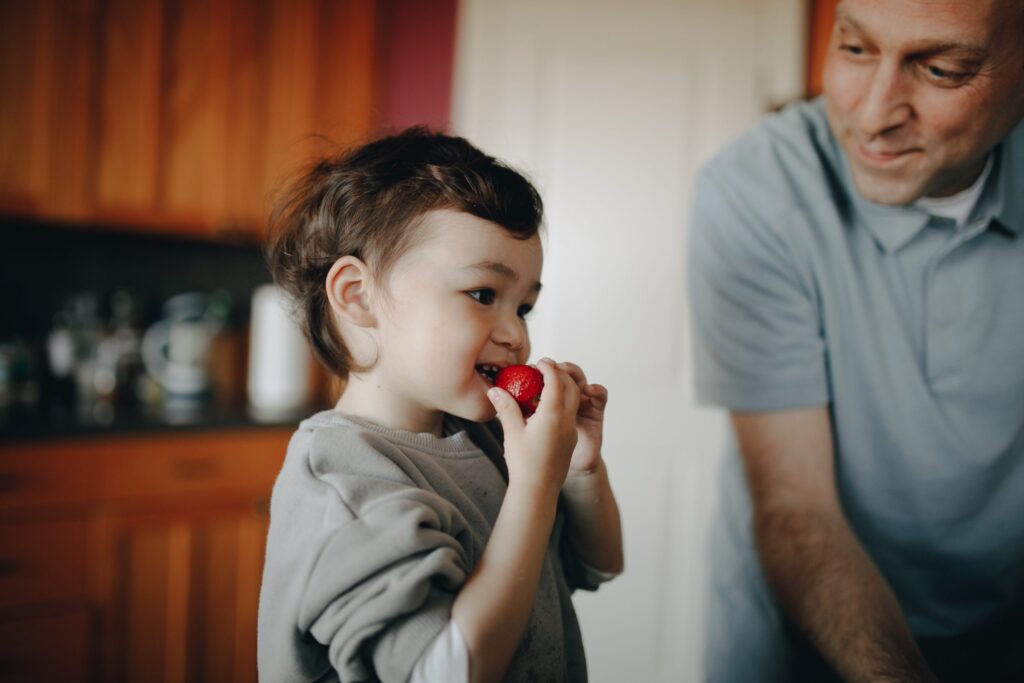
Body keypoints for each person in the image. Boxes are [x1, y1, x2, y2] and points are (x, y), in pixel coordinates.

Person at [687, 0, 1024, 681]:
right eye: (855, 48)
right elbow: (796, 506)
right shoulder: (752, 192)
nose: (872, 116)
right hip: (800, 632)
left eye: (942, 69)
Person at [256, 128, 623, 683]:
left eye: (523, 306)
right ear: (358, 296)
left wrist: (577, 468)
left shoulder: (490, 439)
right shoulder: (343, 482)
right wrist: (533, 486)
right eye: (483, 295)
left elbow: (599, 564)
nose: (515, 335)